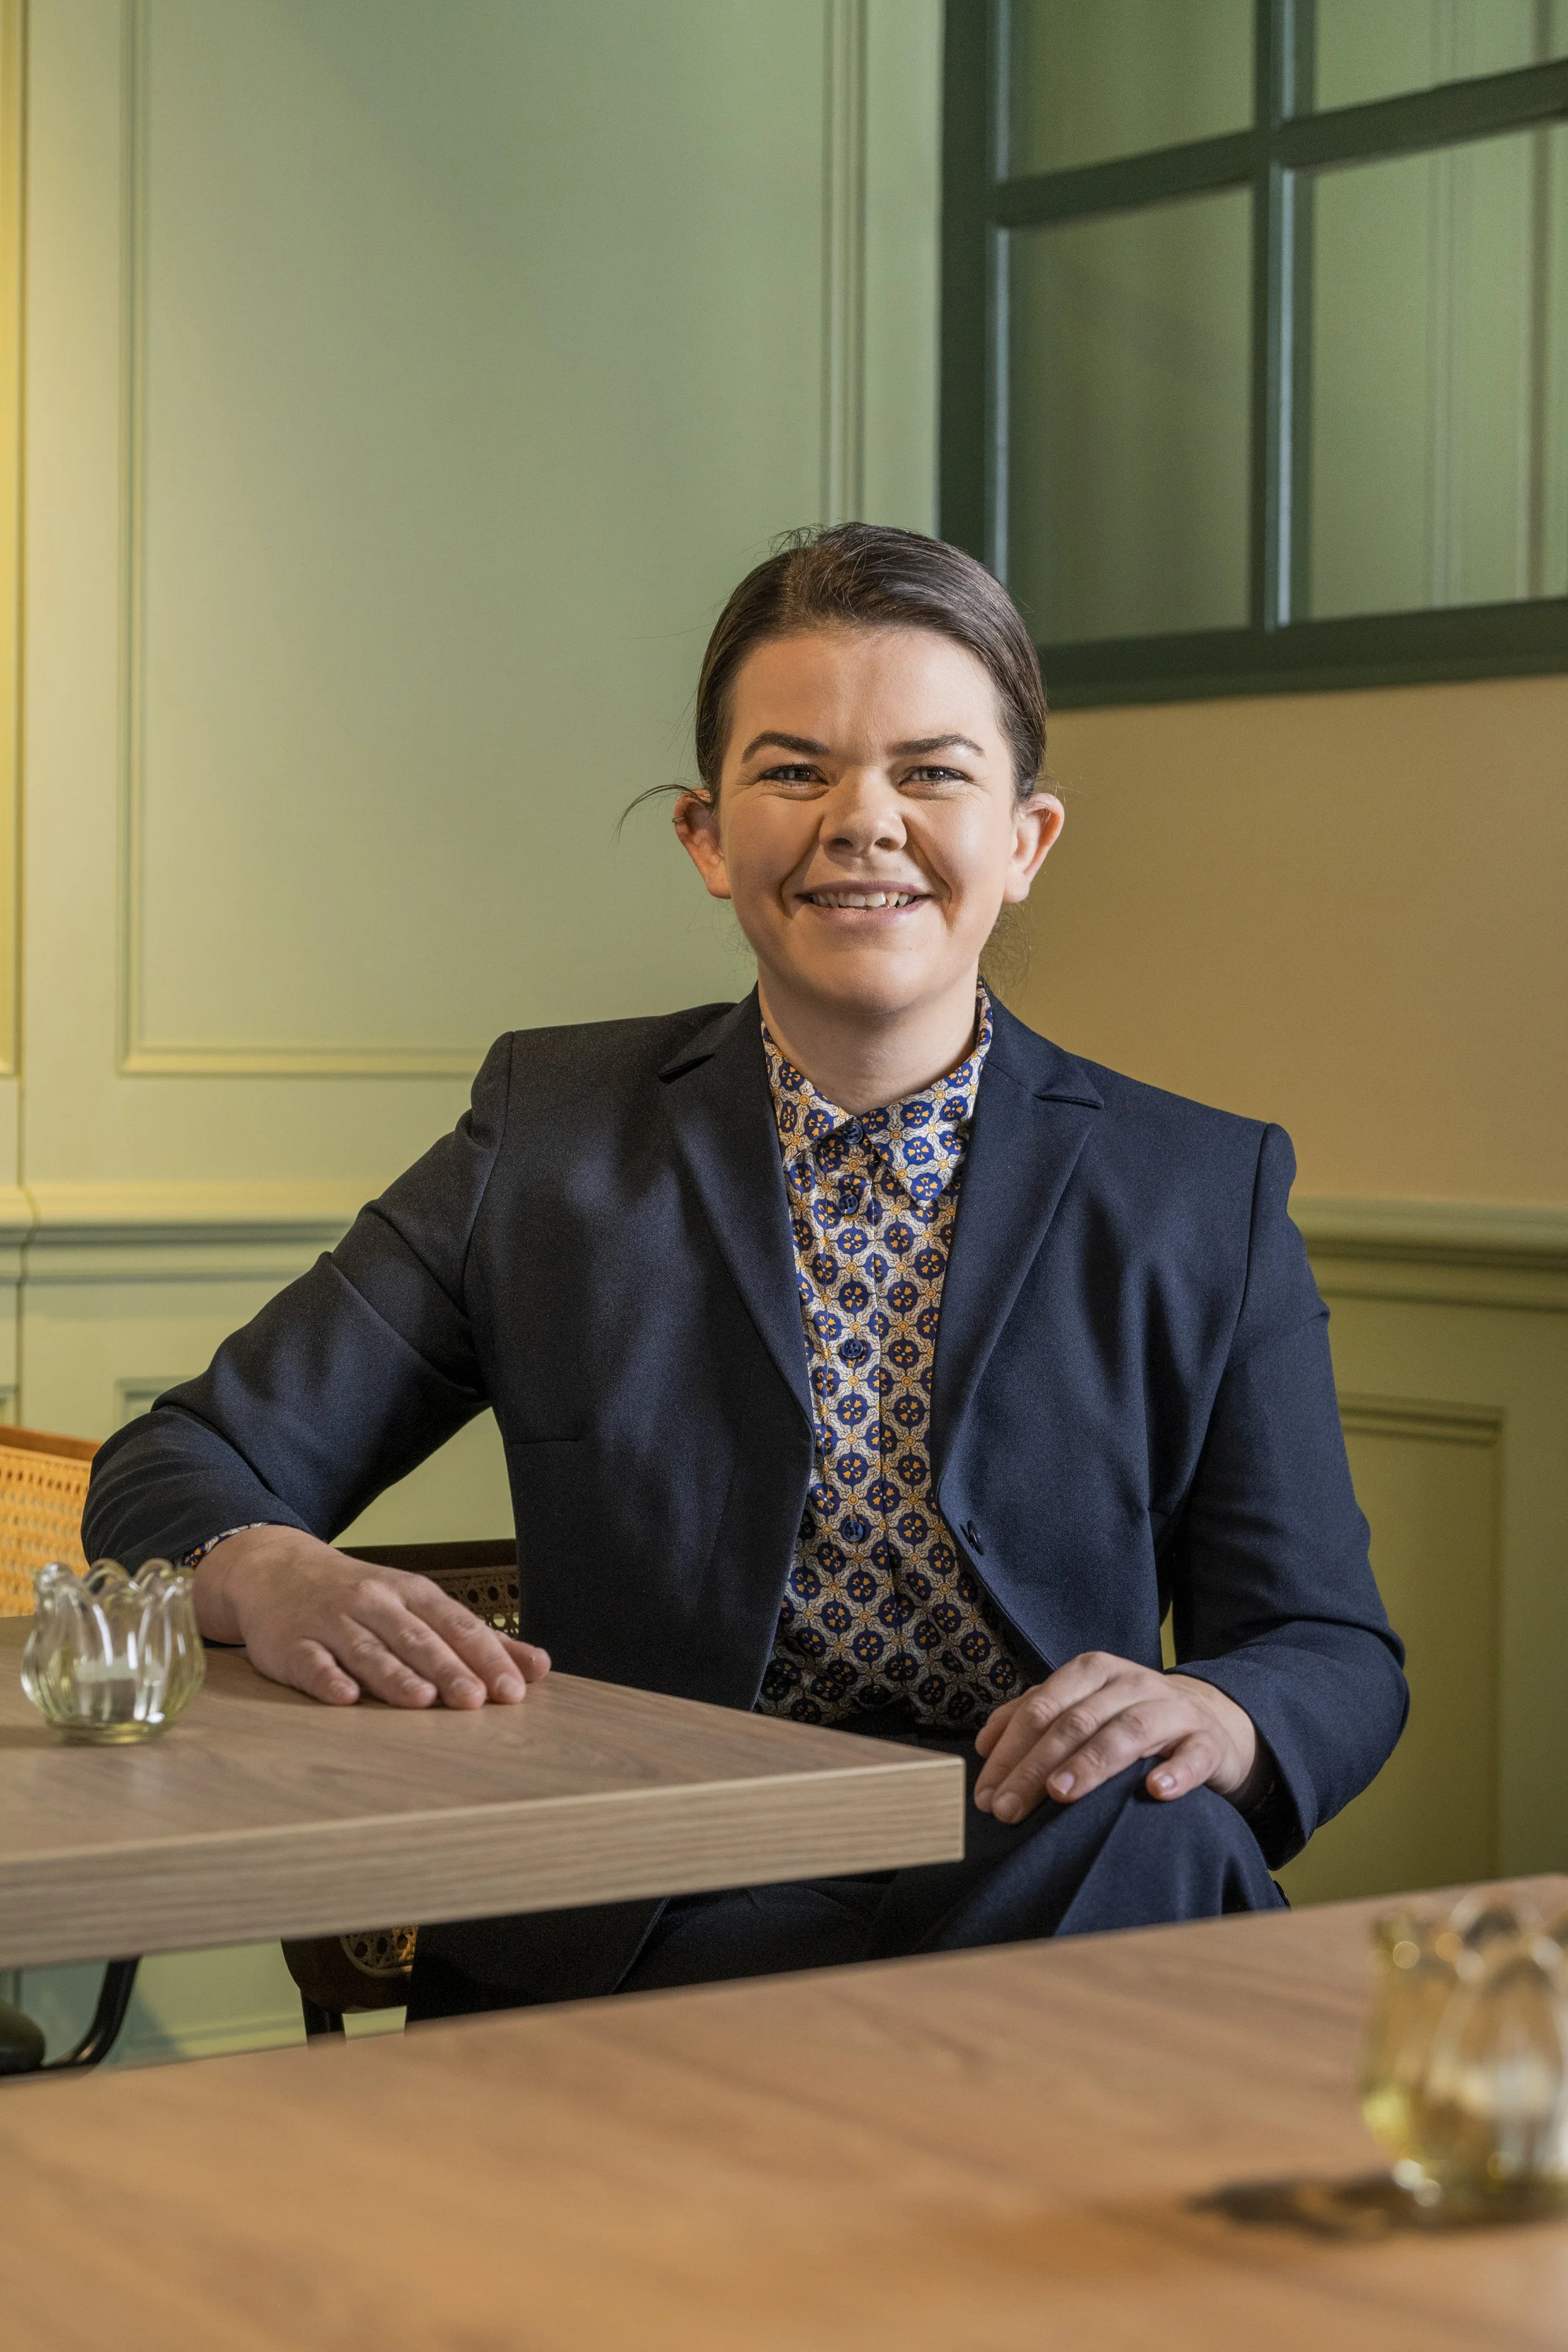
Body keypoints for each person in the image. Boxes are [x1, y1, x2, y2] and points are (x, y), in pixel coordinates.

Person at [83, 524, 1406, 2016]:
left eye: (930, 771)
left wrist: (1215, 1710)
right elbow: (177, 1462)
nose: (862, 821)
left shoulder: (1197, 1189)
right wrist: (264, 1569)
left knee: (1160, 1845)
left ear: (1023, 841)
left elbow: (1324, 1648)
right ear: (708, 838)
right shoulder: (548, 1139)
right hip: (647, 1909)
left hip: (1053, 1875)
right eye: (794, 771)